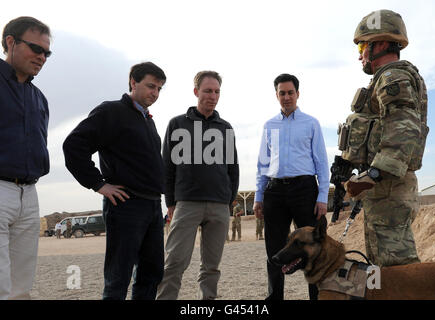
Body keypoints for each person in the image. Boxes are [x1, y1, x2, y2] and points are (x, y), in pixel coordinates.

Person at [63, 62, 167, 300]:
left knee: (151, 274)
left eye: (159, 89)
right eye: (151, 86)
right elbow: (73, 146)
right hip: (126, 204)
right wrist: (98, 184)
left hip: (152, 205)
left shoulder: (147, 119)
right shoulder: (111, 112)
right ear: (133, 82)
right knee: (118, 277)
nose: (155, 93)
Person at [341, 10, 427, 267]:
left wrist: (374, 175)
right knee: (381, 264)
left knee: (397, 268)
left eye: (363, 46)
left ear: (379, 44)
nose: (360, 55)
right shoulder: (387, 78)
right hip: (384, 188)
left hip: (388, 186)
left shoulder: (393, 77)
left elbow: (404, 127)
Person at [156, 71, 239, 300]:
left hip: (219, 205)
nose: (212, 96)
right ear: (196, 92)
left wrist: (228, 199)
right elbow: (168, 166)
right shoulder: (177, 124)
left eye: (216, 91)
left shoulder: (226, 127)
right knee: (174, 263)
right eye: (207, 91)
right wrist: (171, 202)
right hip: (187, 203)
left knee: (211, 267)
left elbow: (233, 168)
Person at [253, 73, 329, 300]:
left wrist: (323, 195)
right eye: (282, 93)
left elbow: (321, 161)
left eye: (290, 93)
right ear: (276, 95)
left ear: (297, 94)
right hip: (275, 192)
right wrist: (259, 196)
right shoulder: (269, 125)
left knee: (313, 250)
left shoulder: (311, 123)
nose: (286, 97)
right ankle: (274, 298)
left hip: (305, 190)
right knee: (274, 250)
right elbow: (262, 164)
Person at [0, 16, 52, 300]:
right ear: (11, 42)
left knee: (21, 287)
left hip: (30, 195)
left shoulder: (39, 98)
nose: (42, 57)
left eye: (47, 52)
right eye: (36, 48)